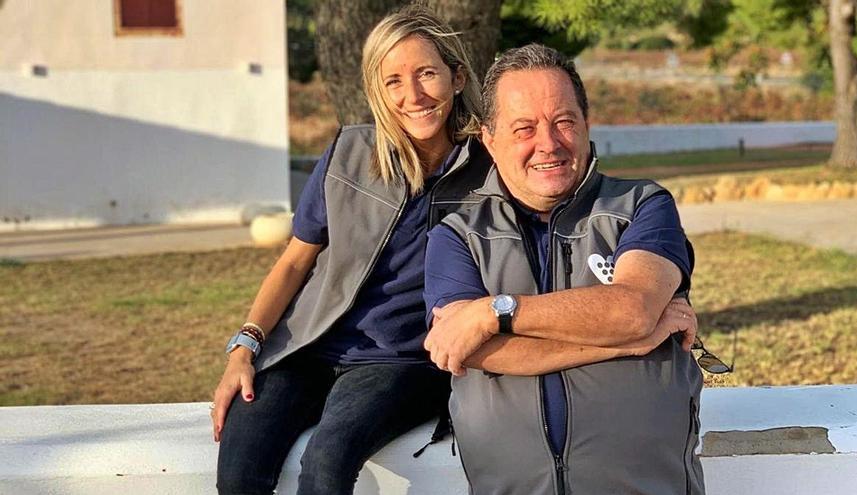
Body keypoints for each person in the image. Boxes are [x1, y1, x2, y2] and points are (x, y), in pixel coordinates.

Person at [211, 6, 491, 494]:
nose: (414, 96)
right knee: (237, 475)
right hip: (304, 349)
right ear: (377, 92)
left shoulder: (490, 169)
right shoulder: (348, 153)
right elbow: (296, 260)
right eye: (394, 82)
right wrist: (245, 345)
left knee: (325, 466)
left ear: (458, 76)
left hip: (401, 360)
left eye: (427, 73)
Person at [423, 44, 706, 494]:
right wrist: (629, 344)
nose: (548, 144)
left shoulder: (641, 207)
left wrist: (491, 313)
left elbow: (631, 310)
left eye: (564, 122)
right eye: (524, 128)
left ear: (586, 124)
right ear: (489, 140)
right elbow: (469, 351)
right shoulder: (457, 235)